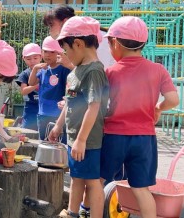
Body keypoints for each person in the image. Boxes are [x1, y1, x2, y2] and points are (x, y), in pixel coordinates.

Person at [100, 16, 179, 218]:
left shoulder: (110, 72)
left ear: (115, 43)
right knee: (142, 189)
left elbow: (99, 105)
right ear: (143, 44)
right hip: (144, 138)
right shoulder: (158, 70)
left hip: (113, 136)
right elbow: (173, 99)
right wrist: (158, 108)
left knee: (99, 181)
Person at [48, 16, 109, 218]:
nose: (65, 55)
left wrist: (82, 140)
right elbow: (69, 102)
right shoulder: (76, 72)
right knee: (76, 177)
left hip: (88, 141)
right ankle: (73, 212)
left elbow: (94, 106)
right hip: (74, 139)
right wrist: (58, 126)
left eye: (66, 50)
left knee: (92, 182)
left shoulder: (94, 71)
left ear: (79, 44)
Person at [28, 36, 71, 142]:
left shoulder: (64, 69)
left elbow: (69, 88)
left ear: (59, 53)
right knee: (43, 143)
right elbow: (31, 83)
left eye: (52, 52)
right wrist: (35, 68)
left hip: (58, 116)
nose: (47, 54)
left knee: (57, 145)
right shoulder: (43, 69)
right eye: (45, 51)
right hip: (42, 114)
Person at [15, 43, 42, 131]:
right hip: (30, 107)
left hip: (43, 106)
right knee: (28, 130)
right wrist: (35, 86)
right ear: (24, 59)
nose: (32, 61)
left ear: (41, 57)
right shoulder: (25, 74)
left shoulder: (46, 71)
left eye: (35, 58)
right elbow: (23, 91)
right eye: (29, 59)